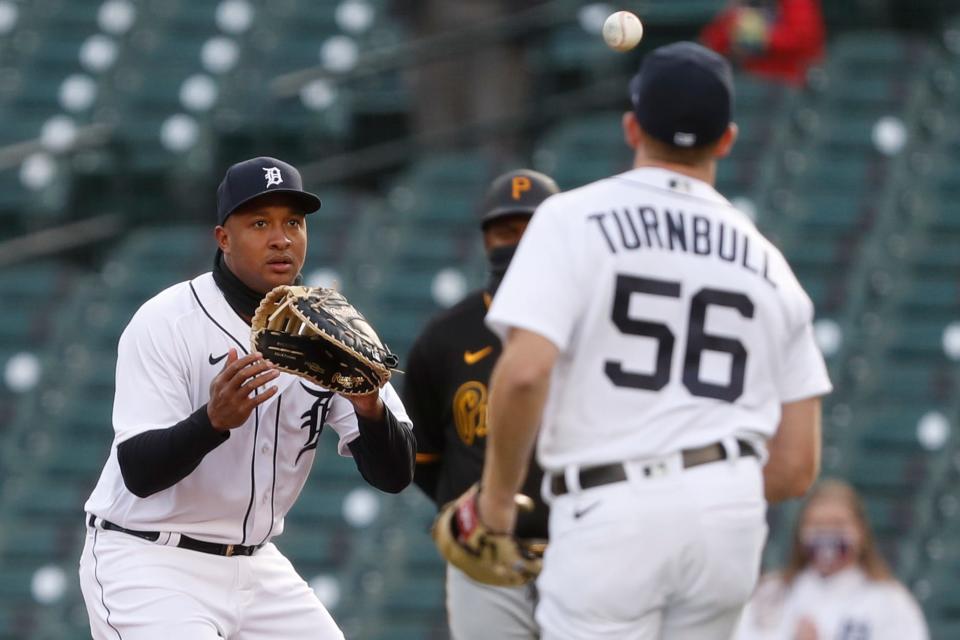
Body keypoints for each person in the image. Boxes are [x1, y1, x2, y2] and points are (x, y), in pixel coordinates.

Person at [477, 41, 833, 639]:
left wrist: (497, 499)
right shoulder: (769, 262)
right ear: (727, 140)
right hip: (729, 514)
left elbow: (523, 372)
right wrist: (709, 486)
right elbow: (797, 467)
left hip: (612, 506)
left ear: (632, 126)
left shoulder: (572, 218)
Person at [78, 156, 416, 639]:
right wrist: (212, 421)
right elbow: (138, 472)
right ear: (223, 237)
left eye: (293, 223)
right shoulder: (167, 321)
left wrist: (369, 405)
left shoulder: (330, 329)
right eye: (260, 223)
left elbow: (395, 474)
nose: (281, 238)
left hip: (258, 569)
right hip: (149, 562)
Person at [404, 169, 560, 640]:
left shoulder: (593, 321)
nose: (519, 242)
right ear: (486, 238)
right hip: (484, 553)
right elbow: (424, 459)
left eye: (533, 228)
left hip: (582, 549)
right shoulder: (447, 335)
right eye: (505, 231)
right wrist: (471, 506)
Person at [735, 479, 929, 640]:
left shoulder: (890, 601)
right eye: (817, 524)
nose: (827, 534)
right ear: (800, 531)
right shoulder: (770, 593)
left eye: (838, 523)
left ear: (861, 532)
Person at [700, 0, 825, 87]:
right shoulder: (743, 5)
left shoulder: (796, 3)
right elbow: (713, 40)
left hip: (789, 83)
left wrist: (759, 37)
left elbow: (801, 39)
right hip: (749, 82)